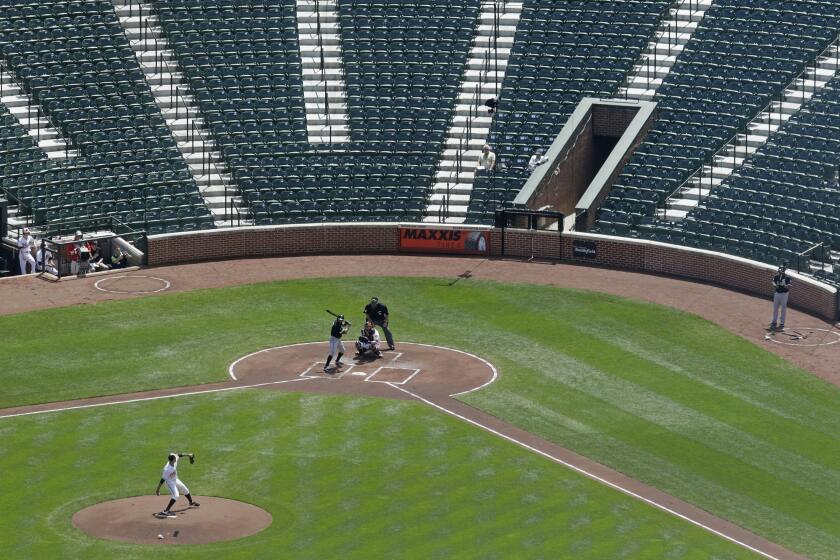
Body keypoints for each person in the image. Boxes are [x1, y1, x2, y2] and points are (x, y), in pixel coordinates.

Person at [154, 452, 200, 517]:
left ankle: (191, 502)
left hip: (175, 480)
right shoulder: (167, 469)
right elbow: (162, 480)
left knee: (185, 490)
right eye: (175, 458)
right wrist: (157, 490)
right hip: (169, 482)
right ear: (173, 460)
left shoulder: (174, 461)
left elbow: (179, 455)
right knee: (176, 495)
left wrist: (188, 455)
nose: (176, 458)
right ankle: (166, 511)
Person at [770, 263, 791, 331]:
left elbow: (790, 285)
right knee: (775, 308)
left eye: (781, 269)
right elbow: (773, 282)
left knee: (783, 309)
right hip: (777, 293)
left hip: (784, 294)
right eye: (779, 269)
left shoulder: (787, 277)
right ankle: (774, 321)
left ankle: (782, 323)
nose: (779, 270)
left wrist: (786, 285)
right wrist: (775, 285)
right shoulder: (776, 276)